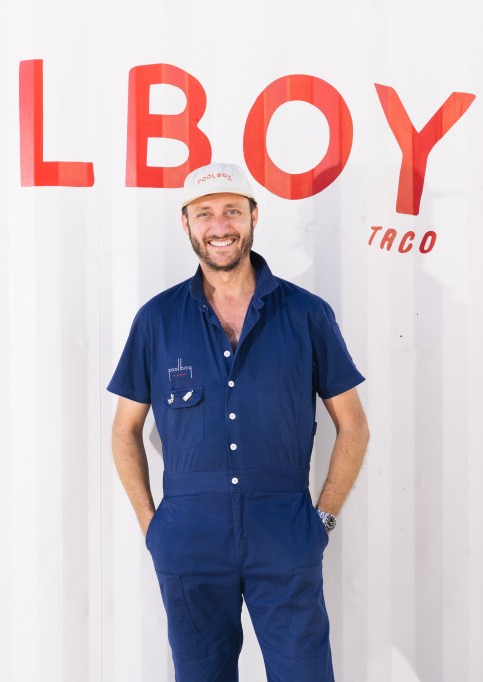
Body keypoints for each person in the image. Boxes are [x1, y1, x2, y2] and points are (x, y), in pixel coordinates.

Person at [108, 162, 369, 681]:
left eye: (232, 210)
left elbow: (354, 426)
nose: (219, 224)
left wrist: (324, 520)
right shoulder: (157, 320)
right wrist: (151, 525)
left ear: (254, 216)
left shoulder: (305, 314)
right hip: (189, 536)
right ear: (186, 224)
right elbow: (124, 430)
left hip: (285, 529)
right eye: (204, 213)